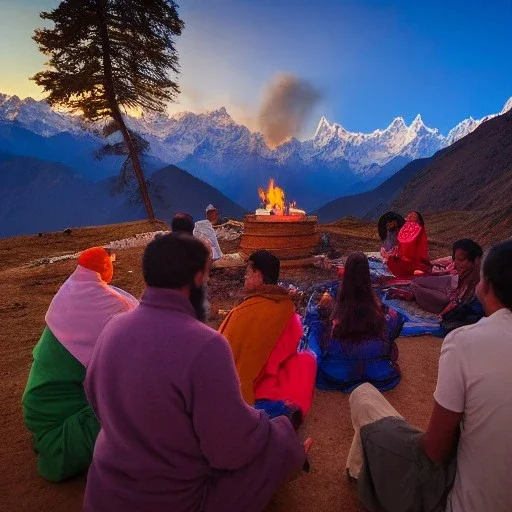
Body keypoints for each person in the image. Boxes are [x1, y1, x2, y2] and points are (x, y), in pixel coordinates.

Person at [84, 235, 307, 512]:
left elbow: (93, 395)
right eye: (208, 275)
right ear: (197, 279)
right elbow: (232, 449)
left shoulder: (112, 328)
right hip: (175, 500)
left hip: (106, 491)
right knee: (279, 440)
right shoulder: (206, 346)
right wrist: (272, 428)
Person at [347, 239, 512, 512]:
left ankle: (360, 473)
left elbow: (434, 450)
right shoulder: (381, 310)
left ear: (486, 286)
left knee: (363, 396)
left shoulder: (465, 343)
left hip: (459, 500)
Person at [21, 247, 138, 482]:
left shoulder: (69, 293)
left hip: (38, 407)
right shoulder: (108, 303)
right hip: (58, 414)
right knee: (140, 406)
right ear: (105, 268)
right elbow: (139, 342)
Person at [219, 250, 317, 424]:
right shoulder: (286, 309)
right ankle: (278, 411)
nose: (245, 278)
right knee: (306, 361)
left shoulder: (241, 313)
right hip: (265, 387)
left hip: (239, 389)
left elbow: (222, 352)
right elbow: (289, 349)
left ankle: (260, 413)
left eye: (247, 273)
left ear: (258, 275)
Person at [311, 252, 403, 393]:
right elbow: (397, 322)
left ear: (346, 274)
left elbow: (319, 321)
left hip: (337, 373)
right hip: (379, 372)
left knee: (316, 325)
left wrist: (323, 309)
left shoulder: (337, 307)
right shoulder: (377, 307)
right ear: (367, 274)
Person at [411, 238, 483, 314]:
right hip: (452, 281)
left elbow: (460, 301)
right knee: (416, 281)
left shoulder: (477, 278)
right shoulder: (462, 270)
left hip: (451, 298)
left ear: (476, 260)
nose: (456, 263)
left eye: (461, 260)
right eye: (455, 259)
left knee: (417, 287)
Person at [387, 211, 431, 277]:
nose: (408, 218)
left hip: (406, 264)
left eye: (410, 217)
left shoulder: (408, 229)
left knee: (391, 262)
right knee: (420, 269)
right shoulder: (417, 230)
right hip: (413, 264)